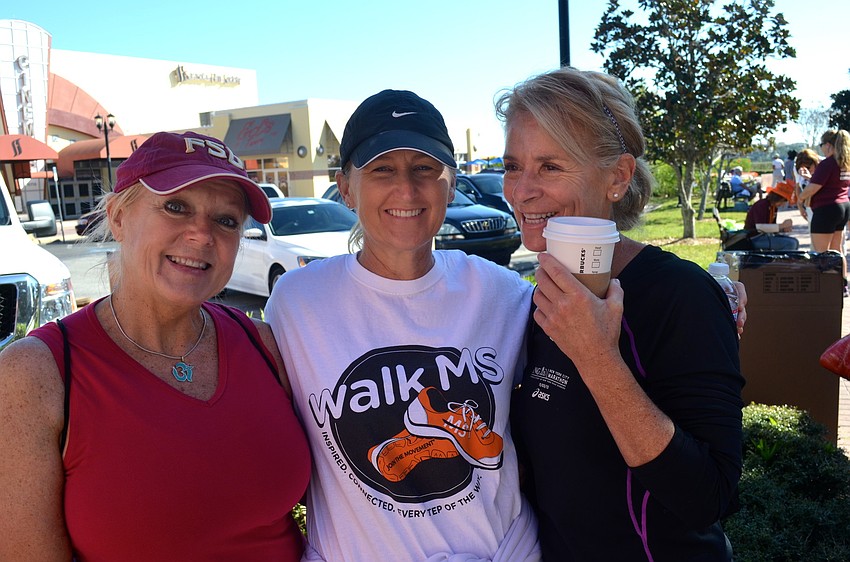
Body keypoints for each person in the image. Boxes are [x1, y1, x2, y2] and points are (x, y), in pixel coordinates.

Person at [0, 131, 311, 561]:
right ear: (119, 216)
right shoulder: (37, 375)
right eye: (175, 206)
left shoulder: (262, 344)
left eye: (226, 220)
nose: (202, 235)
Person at [265, 89, 541, 561]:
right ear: (346, 187)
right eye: (382, 170)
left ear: (450, 186)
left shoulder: (503, 293)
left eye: (424, 169)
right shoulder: (297, 304)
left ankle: (433, 425)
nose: (407, 190)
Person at [497, 67, 745, 561]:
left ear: (618, 176)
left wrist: (596, 356)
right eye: (511, 165)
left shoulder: (682, 295)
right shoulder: (533, 298)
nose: (522, 190)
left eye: (550, 166)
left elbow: (708, 498)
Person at [797, 129, 850, 296]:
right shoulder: (845, 162)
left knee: (821, 253)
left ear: (828, 145)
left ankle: (822, 288)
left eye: (822, 145)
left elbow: (814, 187)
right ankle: (843, 285)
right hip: (843, 207)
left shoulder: (827, 163)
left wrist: (800, 199)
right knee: (837, 250)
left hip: (826, 209)